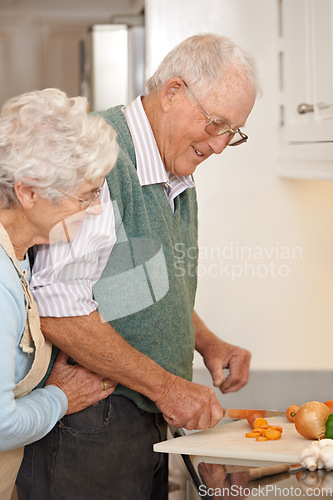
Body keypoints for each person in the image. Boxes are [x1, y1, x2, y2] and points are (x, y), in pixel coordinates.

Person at [17, 34, 259, 500]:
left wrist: (205, 341)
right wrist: (169, 389)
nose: (221, 144)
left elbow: (140, 283)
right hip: (93, 424)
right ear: (172, 93)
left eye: (234, 131)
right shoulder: (97, 160)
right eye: (216, 123)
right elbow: (58, 307)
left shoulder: (175, 171)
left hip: (143, 415)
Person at [0, 88, 119, 500]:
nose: (96, 210)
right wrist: (61, 398)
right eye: (86, 197)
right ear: (29, 191)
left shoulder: (20, 256)